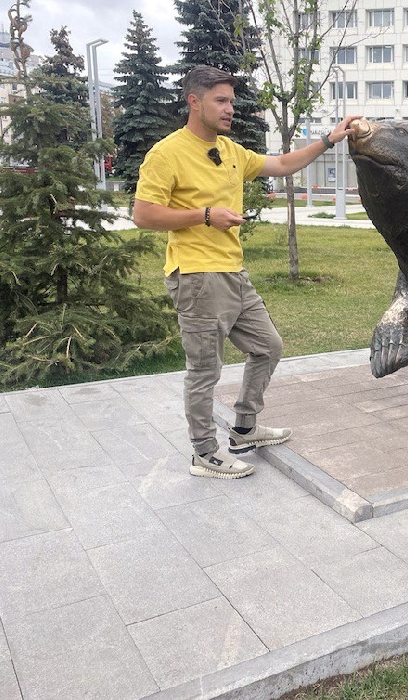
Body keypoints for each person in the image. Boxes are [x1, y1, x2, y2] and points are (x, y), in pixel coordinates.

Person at [134, 64, 361, 479]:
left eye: (231, 102)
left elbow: (283, 163)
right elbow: (144, 214)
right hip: (198, 277)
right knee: (205, 370)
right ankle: (204, 452)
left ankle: (244, 428)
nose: (229, 109)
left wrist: (329, 138)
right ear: (194, 101)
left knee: (268, 346)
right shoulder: (167, 152)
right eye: (221, 101)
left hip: (233, 273)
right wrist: (205, 216)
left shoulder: (231, 150)